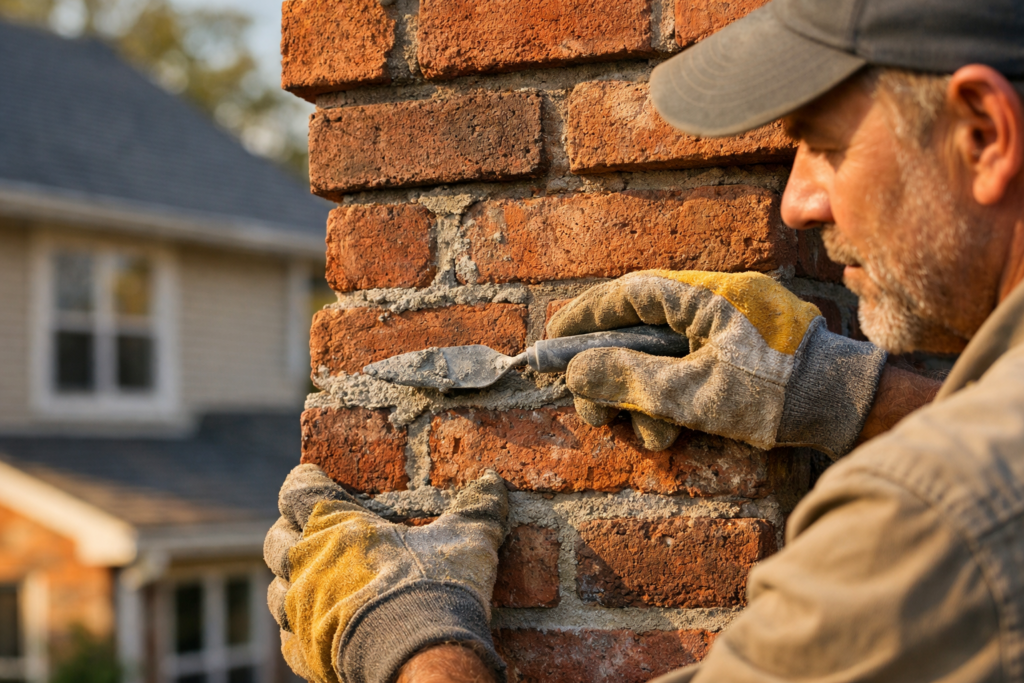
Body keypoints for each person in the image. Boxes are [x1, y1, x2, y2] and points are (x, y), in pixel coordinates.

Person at [262, 0, 1024, 681]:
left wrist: (413, 641)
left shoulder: (929, 518)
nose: (797, 204)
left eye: (825, 145)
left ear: (983, 135)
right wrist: (848, 395)